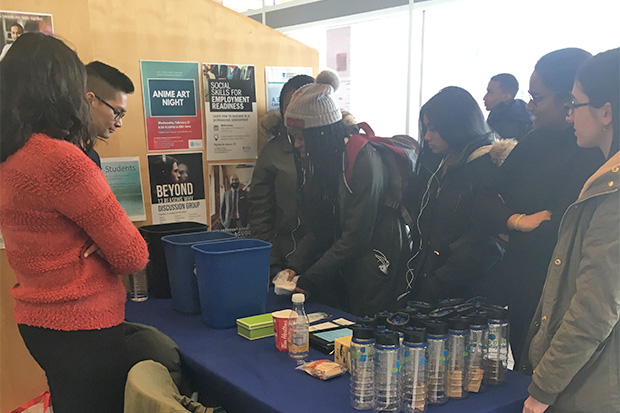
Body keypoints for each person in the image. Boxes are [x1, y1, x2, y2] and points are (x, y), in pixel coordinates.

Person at [0, 33, 149, 412]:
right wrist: (103, 242)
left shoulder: (10, 154)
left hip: (37, 322)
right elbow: (133, 254)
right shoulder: (60, 160)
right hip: (82, 326)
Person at [477, 48, 605, 365]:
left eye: (537, 97)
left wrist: (510, 221)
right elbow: (480, 201)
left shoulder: (598, 156)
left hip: (567, 301)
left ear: (570, 101)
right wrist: (517, 221)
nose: (530, 107)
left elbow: (560, 232)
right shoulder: (535, 140)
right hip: (521, 289)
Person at [521, 47, 620, 413]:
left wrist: (544, 387)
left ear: (606, 111)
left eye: (575, 104)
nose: (569, 114)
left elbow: (594, 310)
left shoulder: (614, 193)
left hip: (593, 387)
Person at [281, 71, 410, 316]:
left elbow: (357, 235)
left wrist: (310, 278)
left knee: (364, 327)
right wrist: (293, 267)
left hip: (375, 257)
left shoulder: (363, 159)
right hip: (345, 259)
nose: (297, 145)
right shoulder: (324, 161)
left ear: (320, 134)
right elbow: (319, 227)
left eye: (300, 138)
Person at [406, 86, 509, 303]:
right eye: (425, 128)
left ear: (455, 125)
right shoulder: (439, 163)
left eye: (433, 129)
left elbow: (485, 243)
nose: (427, 137)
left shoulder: (486, 167)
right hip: (432, 281)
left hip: (467, 294)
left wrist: (437, 282)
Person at [249, 74, 314, 278]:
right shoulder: (272, 153)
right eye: (290, 106)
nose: (295, 113)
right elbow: (260, 215)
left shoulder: (339, 150)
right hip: (285, 260)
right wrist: (273, 265)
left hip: (329, 263)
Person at [85, 61, 135, 168]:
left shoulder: (92, 156)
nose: (119, 123)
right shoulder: (63, 155)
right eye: (117, 112)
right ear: (90, 100)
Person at [483, 73, 533, 140]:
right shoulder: (524, 114)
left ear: (506, 96)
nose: (485, 97)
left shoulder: (502, 125)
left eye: (490, 92)